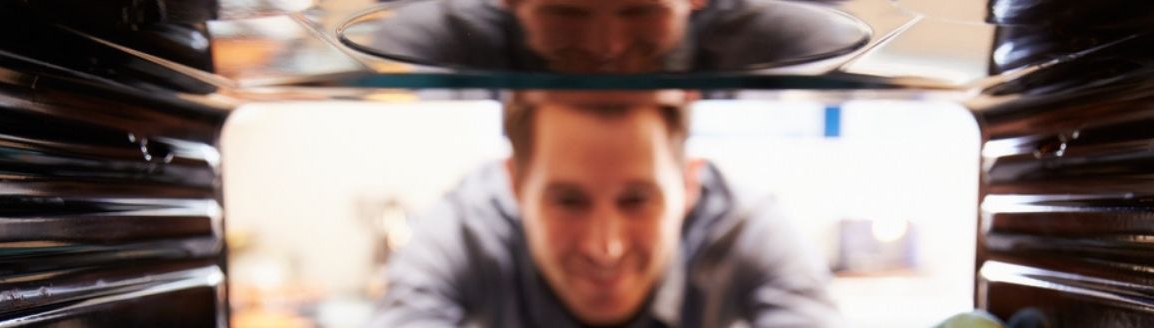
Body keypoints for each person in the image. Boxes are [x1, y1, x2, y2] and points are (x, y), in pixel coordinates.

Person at [346, 92, 863, 328]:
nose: (606, 246)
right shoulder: (461, 230)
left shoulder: (747, 230)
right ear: (515, 185)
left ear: (688, 186)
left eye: (637, 200)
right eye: (568, 201)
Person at [359, 0, 869, 74]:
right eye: (567, 11)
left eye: (639, 10)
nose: (607, 46)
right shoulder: (438, 38)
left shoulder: (778, 37)